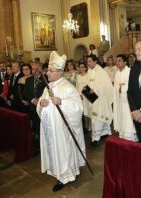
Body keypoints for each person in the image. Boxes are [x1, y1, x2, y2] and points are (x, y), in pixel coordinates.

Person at [37, 51, 86, 192]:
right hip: (49, 128)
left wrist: (61, 102)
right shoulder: (49, 86)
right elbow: (41, 100)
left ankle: (64, 176)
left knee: (64, 151)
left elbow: (78, 107)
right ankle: (58, 171)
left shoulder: (67, 87)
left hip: (61, 130)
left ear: (59, 71)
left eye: (50, 71)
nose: (47, 74)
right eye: (48, 71)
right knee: (54, 151)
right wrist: (42, 103)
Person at [86, 54, 114, 146]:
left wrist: (96, 90)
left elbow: (106, 85)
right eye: (87, 61)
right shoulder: (89, 71)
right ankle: (105, 132)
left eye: (90, 61)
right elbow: (88, 82)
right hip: (92, 98)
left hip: (101, 99)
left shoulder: (101, 71)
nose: (88, 63)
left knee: (96, 118)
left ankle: (96, 138)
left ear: (95, 61)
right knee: (99, 117)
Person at [113, 54, 137, 141]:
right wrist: (117, 89)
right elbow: (115, 86)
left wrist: (122, 89)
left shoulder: (130, 71)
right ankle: (122, 134)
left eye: (119, 60)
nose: (117, 62)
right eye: (116, 61)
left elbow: (132, 86)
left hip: (128, 101)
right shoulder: (116, 73)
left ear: (125, 62)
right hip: (119, 100)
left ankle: (131, 137)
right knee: (121, 118)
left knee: (128, 119)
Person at [23, 63, 46, 152]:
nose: (35, 70)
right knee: (36, 125)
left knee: (44, 125)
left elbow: (48, 91)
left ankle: (45, 143)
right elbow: (26, 92)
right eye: (33, 69)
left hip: (43, 106)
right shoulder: (28, 80)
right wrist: (32, 100)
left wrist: (39, 100)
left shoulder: (45, 79)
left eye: (36, 68)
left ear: (40, 68)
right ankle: (39, 144)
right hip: (32, 107)